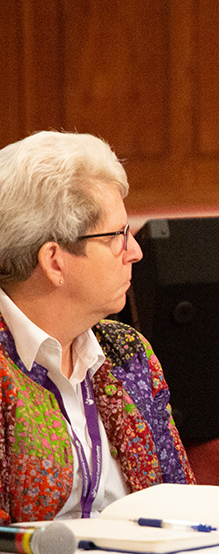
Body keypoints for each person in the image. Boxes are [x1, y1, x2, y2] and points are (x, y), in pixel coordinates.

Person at [0, 132, 194, 525]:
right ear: (54, 261)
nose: (135, 251)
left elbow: (181, 499)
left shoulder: (127, 351)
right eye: (117, 237)